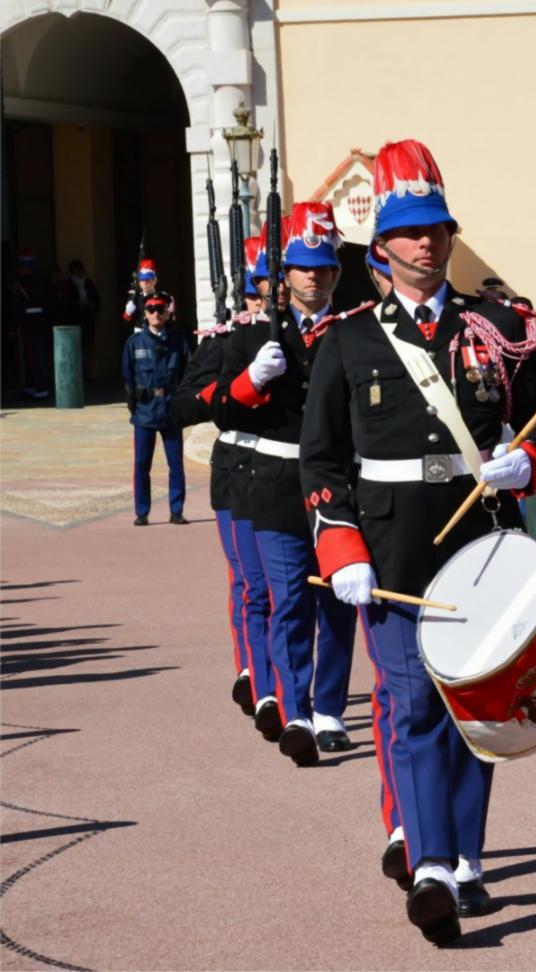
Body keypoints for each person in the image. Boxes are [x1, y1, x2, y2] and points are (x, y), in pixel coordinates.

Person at [301, 140, 536, 942]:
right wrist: (340, 548)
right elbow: (323, 458)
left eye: (437, 229)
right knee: (413, 703)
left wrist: (528, 466)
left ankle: (468, 857)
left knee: (476, 703)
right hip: (391, 551)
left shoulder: (497, 330)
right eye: (411, 232)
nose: (427, 244)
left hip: (482, 544)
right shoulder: (346, 341)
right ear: (381, 245)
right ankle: (432, 866)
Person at [214, 202, 360, 767]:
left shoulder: (353, 333)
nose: (313, 276)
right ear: (284, 274)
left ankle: (329, 709)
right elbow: (219, 408)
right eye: (302, 267)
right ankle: (296, 709)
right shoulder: (252, 336)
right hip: (276, 484)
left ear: (336, 274)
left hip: (339, 485)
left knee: (338, 603)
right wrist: (254, 378)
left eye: (323, 267)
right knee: (290, 600)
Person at [174, 235, 277, 719]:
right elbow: (180, 406)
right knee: (251, 582)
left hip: (292, 472)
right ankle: (254, 671)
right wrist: (231, 388)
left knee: (294, 590)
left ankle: (286, 679)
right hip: (238, 472)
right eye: (262, 288)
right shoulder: (224, 339)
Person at [123, 292, 191, 524]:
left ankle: (176, 510)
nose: (156, 314)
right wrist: (135, 404)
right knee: (142, 465)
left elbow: (187, 373)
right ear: (145, 313)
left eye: (160, 309)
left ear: (166, 312)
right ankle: (142, 512)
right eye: (151, 309)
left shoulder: (177, 340)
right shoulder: (135, 343)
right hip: (145, 412)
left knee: (176, 464)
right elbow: (128, 377)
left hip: (170, 411)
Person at [12, 248, 56, 399]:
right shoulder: (42, 281)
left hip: (30, 323)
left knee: (34, 357)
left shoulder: (20, 284)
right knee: (33, 356)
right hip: (41, 322)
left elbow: (17, 305)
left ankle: (39, 388)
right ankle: (33, 387)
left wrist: (14, 324)